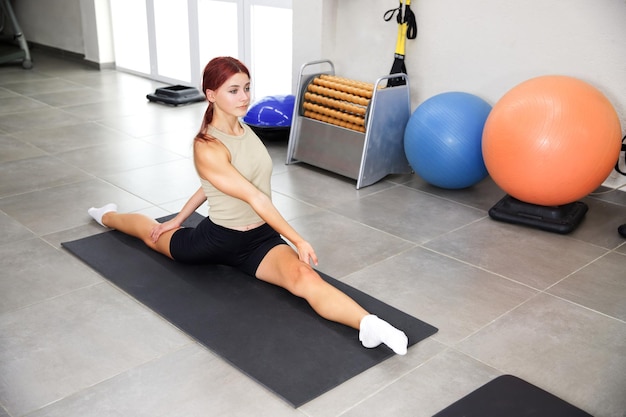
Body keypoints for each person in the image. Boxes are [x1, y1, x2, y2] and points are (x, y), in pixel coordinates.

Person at [88, 56, 408, 355]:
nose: (244, 97)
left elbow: (211, 184)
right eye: (233, 90)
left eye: (246, 88)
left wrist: (182, 215)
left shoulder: (245, 130)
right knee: (151, 235)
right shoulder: (207, 146)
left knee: (304, 278)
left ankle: (369, 325)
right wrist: (296, 238)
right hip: (216, 239)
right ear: (211, 94)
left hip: (259, 240)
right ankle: (108, 215)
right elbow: (254, 196)